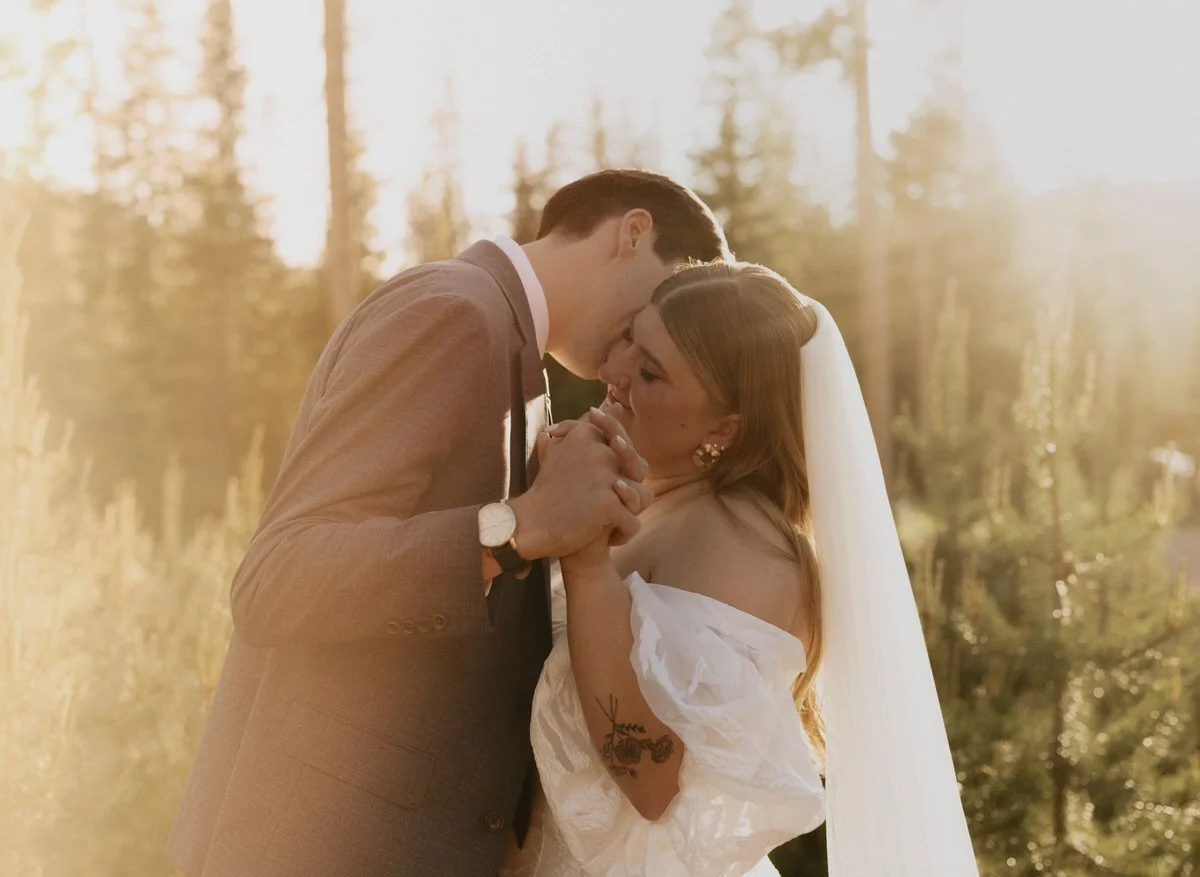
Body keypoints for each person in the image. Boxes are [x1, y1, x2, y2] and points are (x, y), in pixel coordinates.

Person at [166, 169, 730, 876]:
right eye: (655, 305)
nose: (636, 351)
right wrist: (516, 528)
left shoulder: (515, 352)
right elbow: (278, 578)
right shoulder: (456, 312)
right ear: (633, 232)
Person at [501, 262, 980, 876]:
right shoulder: (655, 495)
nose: (612, 372)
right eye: (630, 340)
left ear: (724, 428)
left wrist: (587, 561)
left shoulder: (746, 551)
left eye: (650, 372)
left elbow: (650, 783)